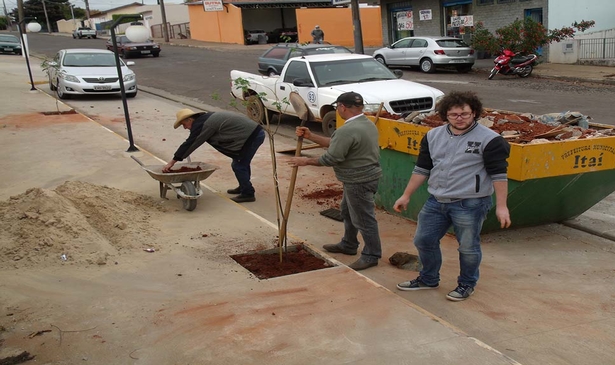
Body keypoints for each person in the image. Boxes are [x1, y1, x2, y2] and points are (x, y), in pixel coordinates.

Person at [393, 91, 511, 301]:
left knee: (467, 247)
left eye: (464, 114)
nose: (459, 118)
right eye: (453, 114)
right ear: (445, 115)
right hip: (436, 201)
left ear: (474, 113)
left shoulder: (490, 140)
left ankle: (466, 284)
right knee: (423, 240)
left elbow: (499, 175)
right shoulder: (432, 136)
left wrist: (502, 206)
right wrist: (406, 195)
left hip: (470, 204)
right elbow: (422, 168)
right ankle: (428, 278)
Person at [288, 92, 382, 271]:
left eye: (337, 107)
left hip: (358, 180)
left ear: (342, 107)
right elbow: (336, 143)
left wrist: (304, 161)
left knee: (364, 219)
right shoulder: (366, 124)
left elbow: (332, 158)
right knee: (347, 211)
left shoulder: (348, 129)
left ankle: (371, 255)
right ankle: (348, 244)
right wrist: (311, 136)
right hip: (363, 177)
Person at [163, 109, 265, 203]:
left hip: (252, 136)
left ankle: (248, 193)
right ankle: (244, 186)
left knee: (238, 165)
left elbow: (191, 143)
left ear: (189, 120)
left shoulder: (203, 124)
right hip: (251, 133)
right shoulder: (204, 119)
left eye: (184, 124)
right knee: (240, 161)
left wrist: (172, 162)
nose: (185, 128)